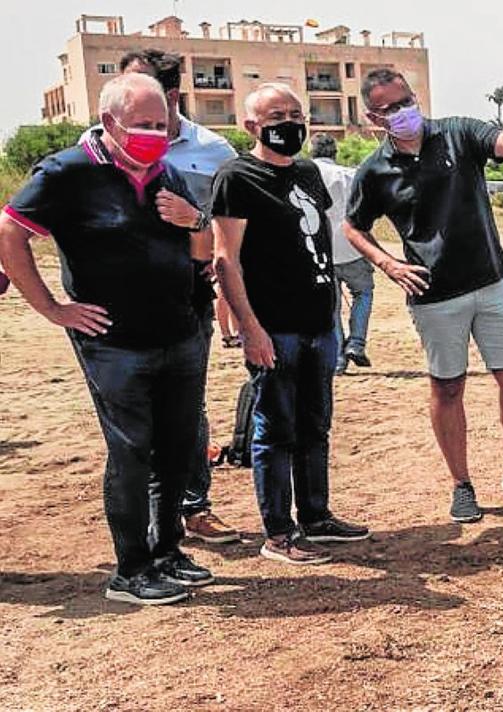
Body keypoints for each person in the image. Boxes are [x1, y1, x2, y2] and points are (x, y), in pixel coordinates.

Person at [344, 68, 503, 523]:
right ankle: (461, 484)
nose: (401, 113)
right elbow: (353, 226)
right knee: (448, 387)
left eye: (405, 101)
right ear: (372, 117)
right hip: (435, 296)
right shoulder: (375, 171)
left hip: (492, 281)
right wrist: (388, 264)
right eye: (389, 109)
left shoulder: (457, 133)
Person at [0, 73, 213, 604]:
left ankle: (167, 550)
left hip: (180, 332)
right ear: (109, 123)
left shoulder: (167, 173)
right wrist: (52, 308)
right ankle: (131, 569)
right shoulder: (67, 173)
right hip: (114, 343)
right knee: (132, 450)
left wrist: (195, 221)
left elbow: (202, 250)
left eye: (161, 125)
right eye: (142, 125)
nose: (154, 135)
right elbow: (10, 232)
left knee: (179, 447)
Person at [80, 48, 241, 544]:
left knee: (185, 410)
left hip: (188, 298)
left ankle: (192, 507)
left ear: (171, 95)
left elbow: (229, 226)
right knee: (135, 418)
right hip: (122, 308)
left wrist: (194, 223)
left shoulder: (214, 152)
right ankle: (152, 523)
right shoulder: (95, 146)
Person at [213, 83, 370, 565]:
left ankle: (316, 517)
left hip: (318, 324)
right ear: (251, 127)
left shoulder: (307, 173)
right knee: (275, 430)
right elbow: (225, 260)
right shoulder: (236, 178)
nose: (289, 122)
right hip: (273, 327)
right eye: (275, 115)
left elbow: (316, 242)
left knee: (314, 425)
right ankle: (278, 533)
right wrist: (249, 328)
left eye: (295, 113)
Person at [310, 134, 373, 375]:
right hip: (353, 247)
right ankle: (356, 343)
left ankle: (337, 359)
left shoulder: (305, 174)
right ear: (334, 152)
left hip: (319, 252)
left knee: (331, 306)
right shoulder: (350, 175)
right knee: (363, 293)